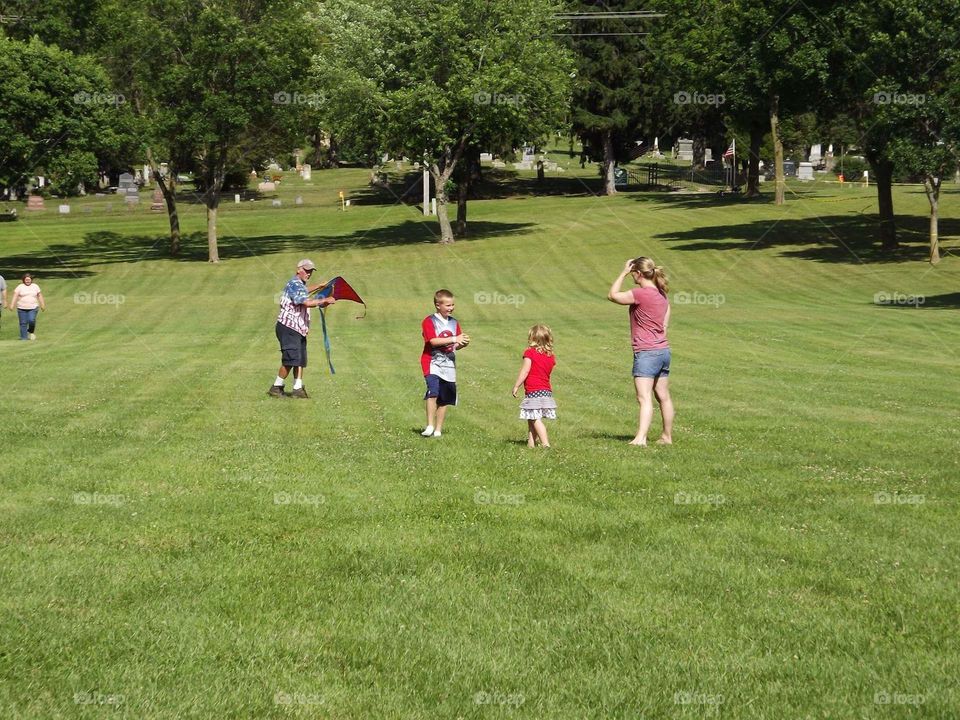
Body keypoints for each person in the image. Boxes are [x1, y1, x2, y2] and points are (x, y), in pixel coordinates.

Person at [608, 258, 674, 446]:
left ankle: (641, 438)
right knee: (663, 396)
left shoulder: (641, 294)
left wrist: (622, 272)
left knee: (643, 397)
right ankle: (667, 437)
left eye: (632, 274)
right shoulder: (662, 295)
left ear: (637, 273)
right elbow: (666, 318)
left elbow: (613, 295)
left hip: (646, 353)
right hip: (663, 351)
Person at [268, 259, 335, 399]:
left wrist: (319, 286)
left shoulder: (299, 285)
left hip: (298, 329)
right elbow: (306, 302)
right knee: (291, 359)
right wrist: (325, 300)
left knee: (300, 359)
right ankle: (276, 387)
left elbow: (304, 291)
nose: (309, 273)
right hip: (288, 327)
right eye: (306, 270)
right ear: (298, 269)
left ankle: (297, 389)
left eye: (311, 271)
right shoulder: (294, 284)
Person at [420, 289, 469, 437]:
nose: (451, 308)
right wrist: (455, 338)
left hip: (449, 365)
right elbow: (433, 341)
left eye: (452, 305)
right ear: (437, 305)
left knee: (444, 398)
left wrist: (462, 343)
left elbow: (454, 346)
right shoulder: (429, 321)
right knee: (433, 391)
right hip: (431, 362)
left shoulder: (454, 323)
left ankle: (438, 430)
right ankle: (429, 425)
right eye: (447, 305)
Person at [511, 324, 557, 448]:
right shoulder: (550, 356)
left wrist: (516, 385)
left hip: (534, 391)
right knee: (531, 418)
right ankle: (531, 443)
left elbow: (525, 371)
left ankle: (545, 443)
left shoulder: (530, 353)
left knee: (535, 419)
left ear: (533, 339)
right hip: (546, 391)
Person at [8, 273, 45, 341]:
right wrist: (12, 305)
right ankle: (24, 338)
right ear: (23, 280)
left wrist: (42, 304)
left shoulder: (35, 286)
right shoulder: (20, 286)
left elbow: (39, 295)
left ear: (31, 280)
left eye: (29, 279)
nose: (28, 281)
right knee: (23, 323)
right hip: (21, 308)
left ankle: (30, 331)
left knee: (31, 320)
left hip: (33, 307)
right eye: (26, 280)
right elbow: (15, 296)